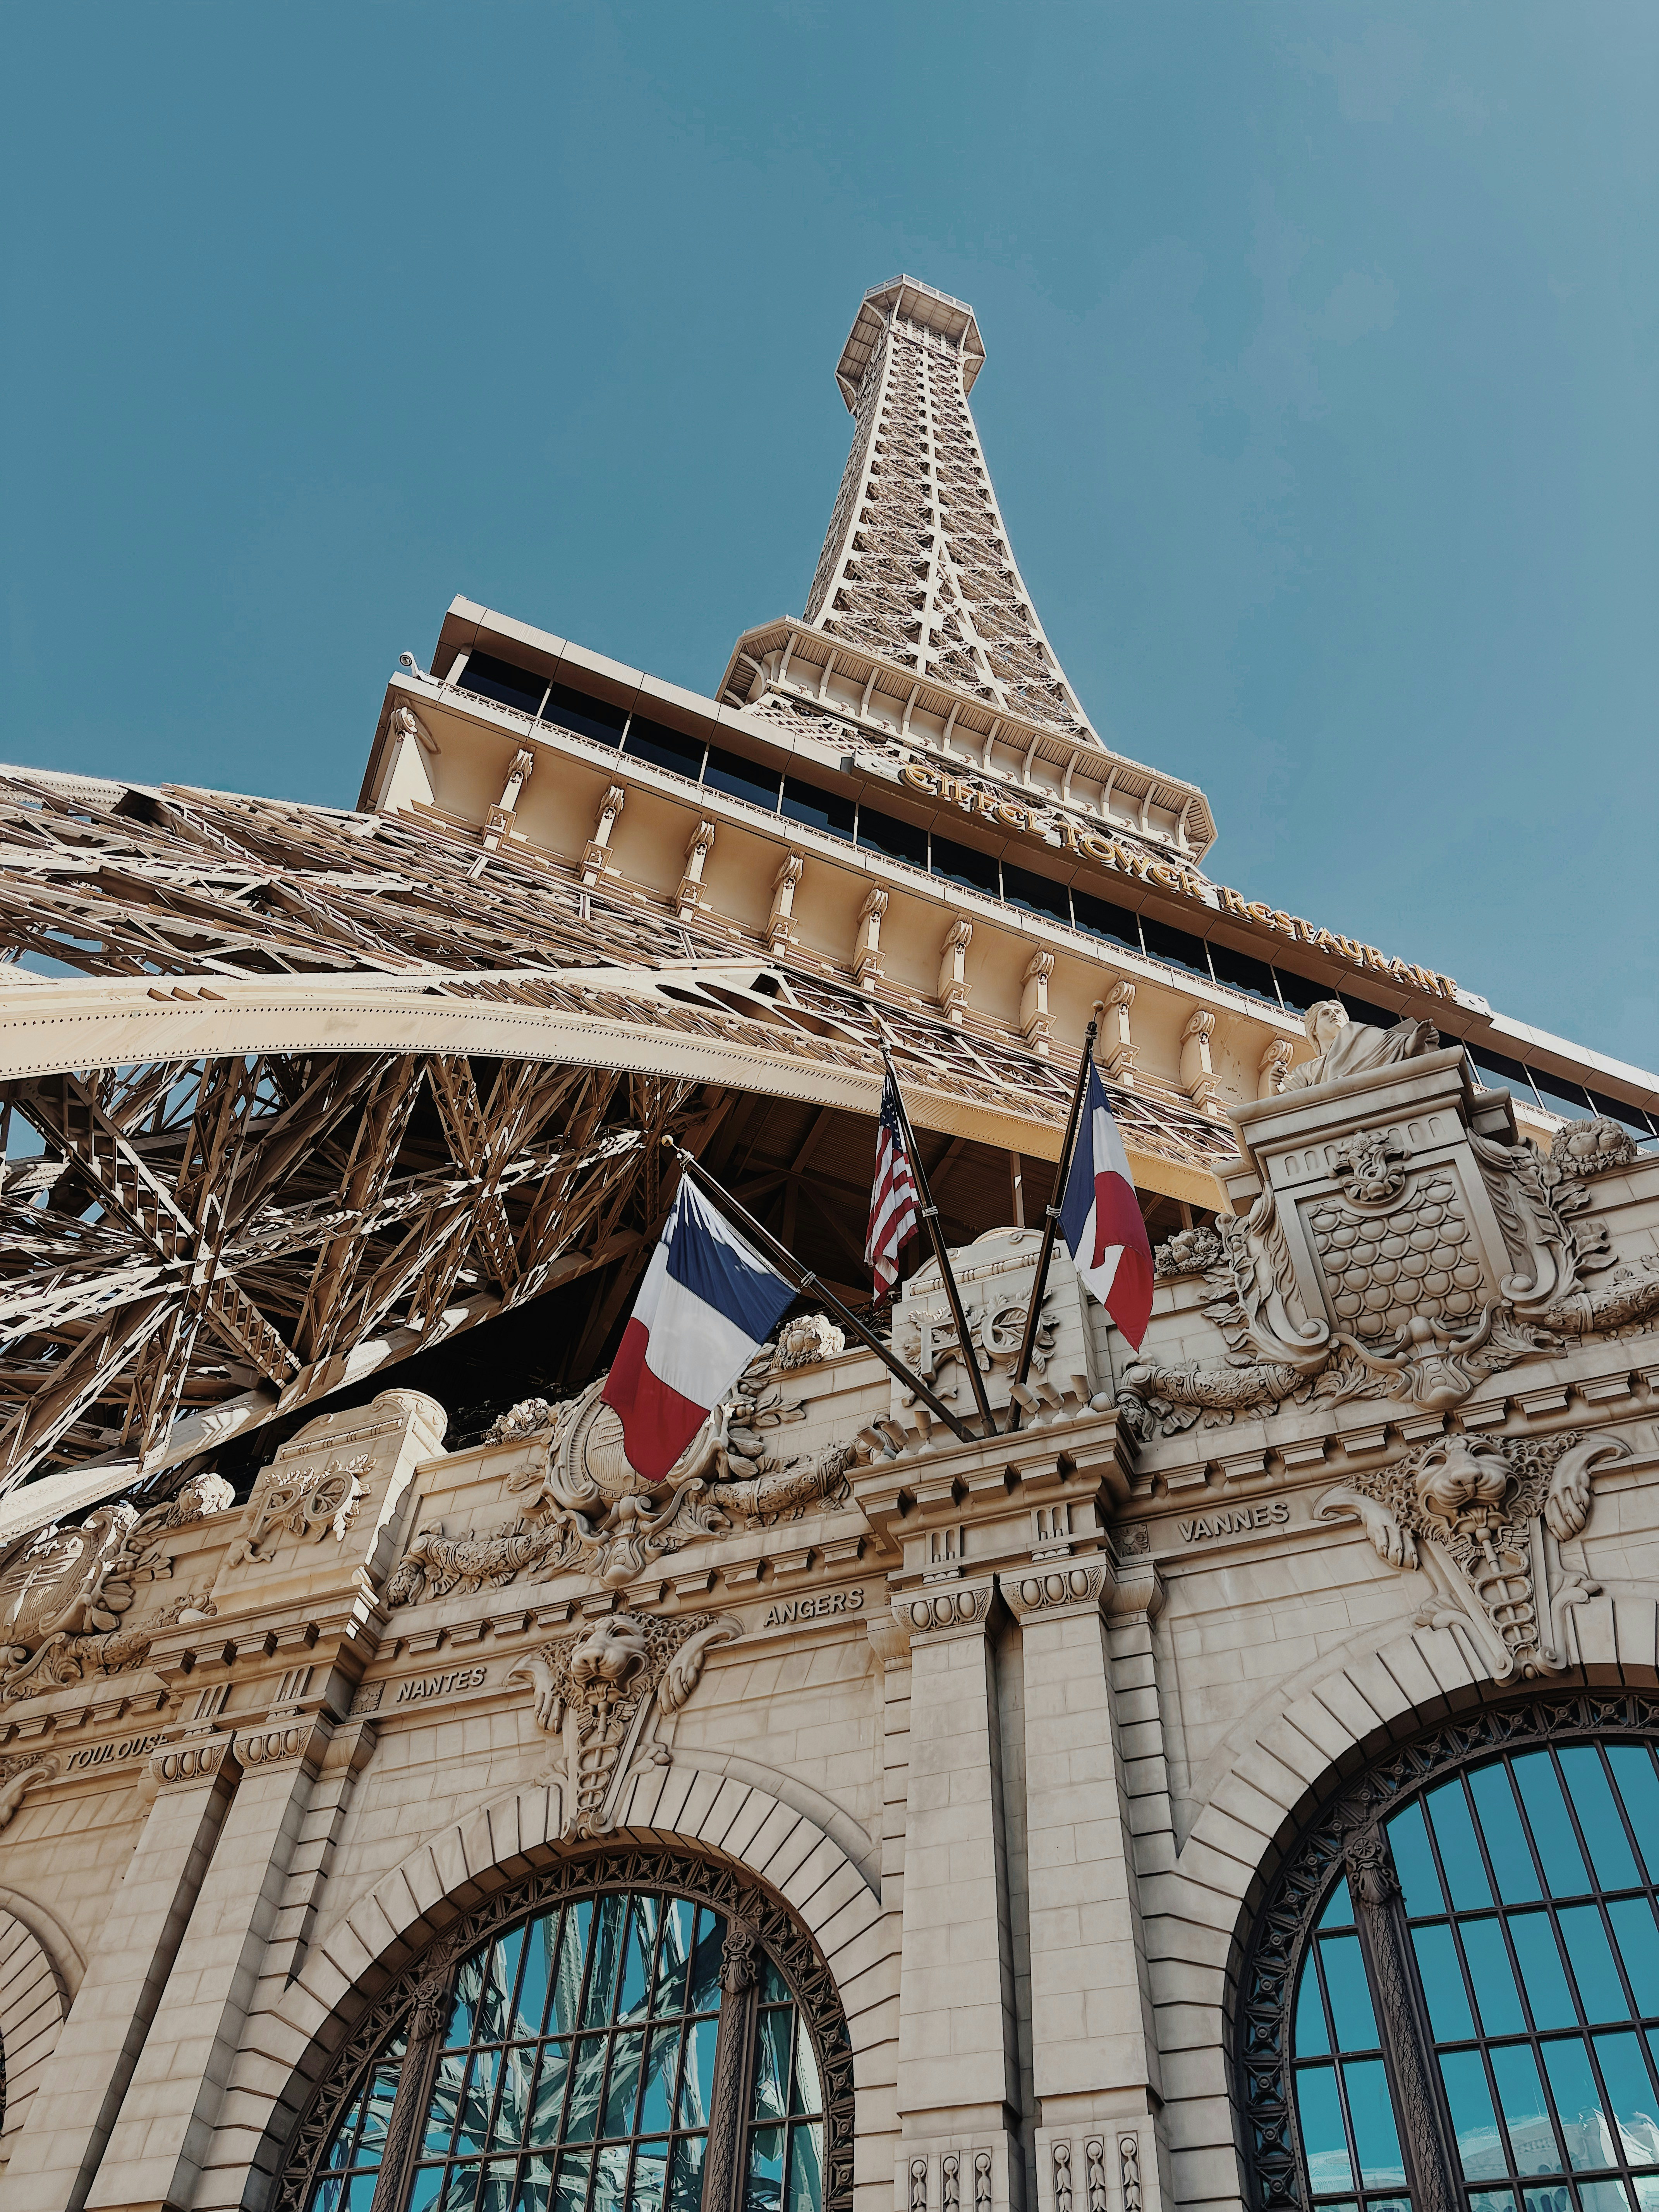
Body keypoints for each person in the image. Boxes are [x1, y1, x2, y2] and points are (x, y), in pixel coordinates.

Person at [1284, 998, 1439, 1091]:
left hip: (1364, 1080)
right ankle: (1405, 1046)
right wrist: (1276, 1088)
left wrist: (1421, 1038)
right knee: (1350, 1030)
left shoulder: (1361, 1039)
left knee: (1350, 1029)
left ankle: (1407, 1045)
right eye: (1325, 1014)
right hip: (1330, 1093)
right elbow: (1286, 1098)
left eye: (1338, 1012)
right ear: (1314, 1030)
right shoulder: (1306, 1069)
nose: (1334, 1015)